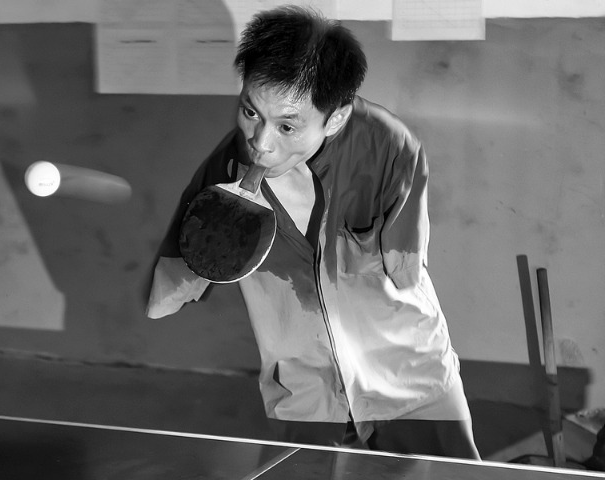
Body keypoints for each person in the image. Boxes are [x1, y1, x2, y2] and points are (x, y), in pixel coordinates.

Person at [146, 5, 480, 460]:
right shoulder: (224, 170)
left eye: (287, 126)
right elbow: (168, 293)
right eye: (250, 111)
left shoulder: (390, 147)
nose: (261, 143)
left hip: (411, 385)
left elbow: (405, 272)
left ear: (335, 118)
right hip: (305, 397)